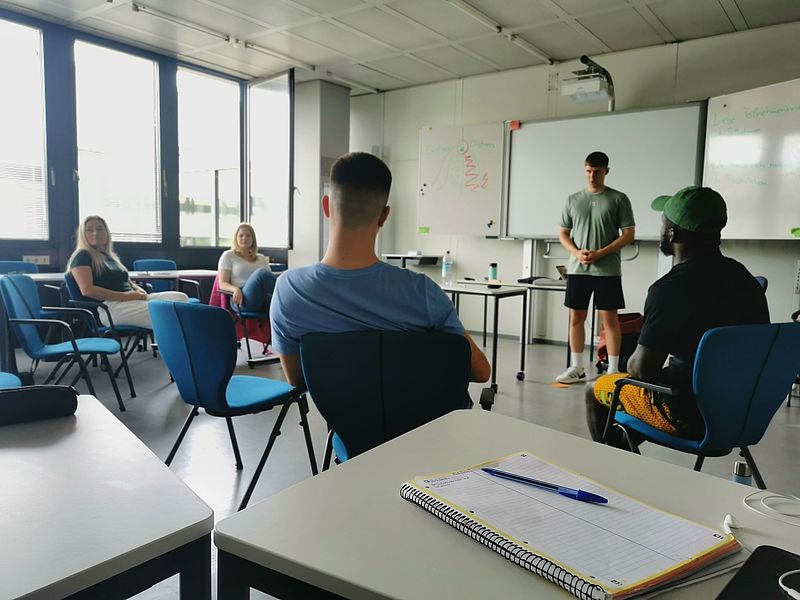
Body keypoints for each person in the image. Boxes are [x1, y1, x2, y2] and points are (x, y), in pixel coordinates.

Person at [270, 152, 491, 388]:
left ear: (326, 206)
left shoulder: (288, 291)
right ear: (384, 216)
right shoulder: (423, 293)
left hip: (347, 423)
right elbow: (480, 371)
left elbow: (298, 379)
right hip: (425, 424)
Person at [584, 186, 769, 448]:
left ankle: (616, 468)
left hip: (690, 418)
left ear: (672, 233)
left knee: (595, 388)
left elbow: (641, 370)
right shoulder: (745, 280)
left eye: (663, 224)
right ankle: (624, 449)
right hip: (743, 414)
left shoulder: (669, 289)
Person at [556, 151, 636, 384]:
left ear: (606, 171)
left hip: (607, 270)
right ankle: (577, 367)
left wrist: (600, 253)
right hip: (577, 269)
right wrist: (576, 252)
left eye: (597, 172)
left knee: (609, 319)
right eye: (589, 171)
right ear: (584, 170)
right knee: (575, 318)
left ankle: (612, 371)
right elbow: (563, 232)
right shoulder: (573, 199)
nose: (592, 176)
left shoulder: (618, 199)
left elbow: (629, 234)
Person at [68, 215, 188, 330]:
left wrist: (137, 289)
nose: (95, 233)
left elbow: (128, 281)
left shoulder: (110, 257)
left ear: (106, 232)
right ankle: (177, 345)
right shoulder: (82, 255)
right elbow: (88, 290)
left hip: (130, 299)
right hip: (110, 307)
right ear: (83, 235)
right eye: (89, 230)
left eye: (100, 229)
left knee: (180, 297)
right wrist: (126, 296)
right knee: (165, 313)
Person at [217, 223, 276, 313]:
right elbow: (222, 283)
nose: (244, 238)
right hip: (242, 299)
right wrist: (235, 289)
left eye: (248, 236)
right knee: (261, 274)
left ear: (253, 239)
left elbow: (270, 282)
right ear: (236, 238)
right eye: (241, 236)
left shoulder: (261, 258)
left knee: (286, 278)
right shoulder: (228, 255)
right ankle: (288, 295)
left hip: (263, 299)